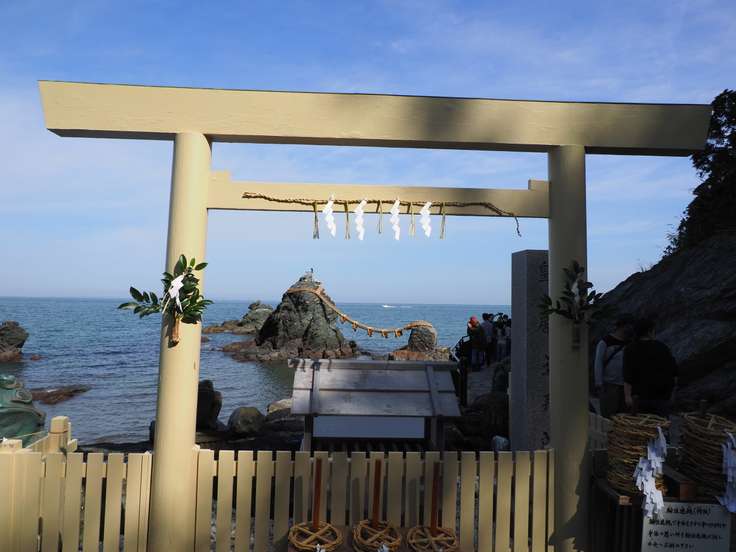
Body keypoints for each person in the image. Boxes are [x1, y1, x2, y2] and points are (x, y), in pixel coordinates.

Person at [623, 317, 678, 417]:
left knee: (640, 424)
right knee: (661, 424)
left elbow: (628, 375)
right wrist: (672, 394)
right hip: (661, 396)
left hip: (639, 396)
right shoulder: (663, 348)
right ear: (649, 332)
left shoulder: (630, 349)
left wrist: (627, 396)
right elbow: (673, 372)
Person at [593, 315, 634, 417]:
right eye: (629, 325)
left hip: (625, 386)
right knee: (608, 416)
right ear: (622, 326)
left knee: (623, 417)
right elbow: (598, 362)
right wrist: (599, 382)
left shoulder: (630, 343)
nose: (631, 328)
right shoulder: (605, 342)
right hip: (609, 385)